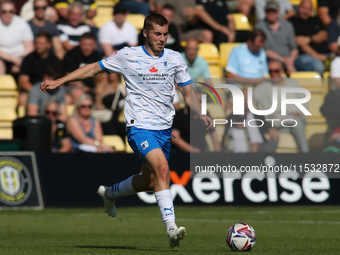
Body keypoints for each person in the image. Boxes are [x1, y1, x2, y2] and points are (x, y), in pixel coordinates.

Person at [41, 13, 213, 248]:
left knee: (149, 181)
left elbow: (187, 91)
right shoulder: (128, 55)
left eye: (165, 34)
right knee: (163, 169)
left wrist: (201, 112)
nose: (162, 38)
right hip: (139, 128)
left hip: (164, 129)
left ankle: (110, 194)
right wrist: (59, 81)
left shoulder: (174, 58)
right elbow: (93, 68)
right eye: (157, 34)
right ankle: (171, 228)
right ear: (145, 33)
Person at [254, 60, 309, 152]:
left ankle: (306, 158)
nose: (273, 74)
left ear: (282, 71)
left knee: (298, 125)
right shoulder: (262, 87)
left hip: (294, 118)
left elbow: (304, 106)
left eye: (276, 71)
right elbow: (247, 97)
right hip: (276, 122)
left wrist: (295, 114)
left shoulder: (293, 84)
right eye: (270, 71)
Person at [255, 0, 298, 75]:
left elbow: (294, 48)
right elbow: (263, 50)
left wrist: (291, 60)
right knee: (275, 67)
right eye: (269, 11)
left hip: (289, 59)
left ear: (278, 12)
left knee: (313, 65)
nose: (271, 13)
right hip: (271, 59)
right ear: (265, 11)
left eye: (274, 11)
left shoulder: (288, 25)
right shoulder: (259, 27)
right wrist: (283, 60)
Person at [19, 31, 62, 105]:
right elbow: (23, 81)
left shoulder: (55, 60)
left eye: (41, 44)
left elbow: (59, 80)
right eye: (37, 43)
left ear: (49, 45)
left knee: (67, 98)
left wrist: (49, 91)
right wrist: (37, 93)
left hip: (52, 92)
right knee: (22, 98)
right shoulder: (28, 59)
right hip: (32, 91)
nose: (38, 46)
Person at [289, 0, 329, 75]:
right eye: (303, 8)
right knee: (318, 67)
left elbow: (324, 35)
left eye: (308, 9)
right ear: (298, 7)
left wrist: (309, 39)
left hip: (325, 54)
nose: (305, 11)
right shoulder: (292, 22)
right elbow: (300, 43)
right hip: (303, 56)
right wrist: (318, 56)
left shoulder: (316, 20)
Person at [62, 32, 103, 104]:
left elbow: (102, 75)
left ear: (94, 45)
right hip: (74, 88)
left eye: (90, 45)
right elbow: (69, 78)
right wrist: (85, 88)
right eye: (85, 44)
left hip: (94, 88)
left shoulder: (97, 55)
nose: (87, 48)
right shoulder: (71, 55)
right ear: (79, 44)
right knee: (80, 94)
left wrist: (99, 90)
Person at [0, 0, 34, 75]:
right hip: (3, 58)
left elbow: (29, 47)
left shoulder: (22, 23)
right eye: (4, 11)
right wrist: (14, 59)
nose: (7, 14)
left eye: (11, 11)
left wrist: (21, 61)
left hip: (21, 58)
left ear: (14, 11)